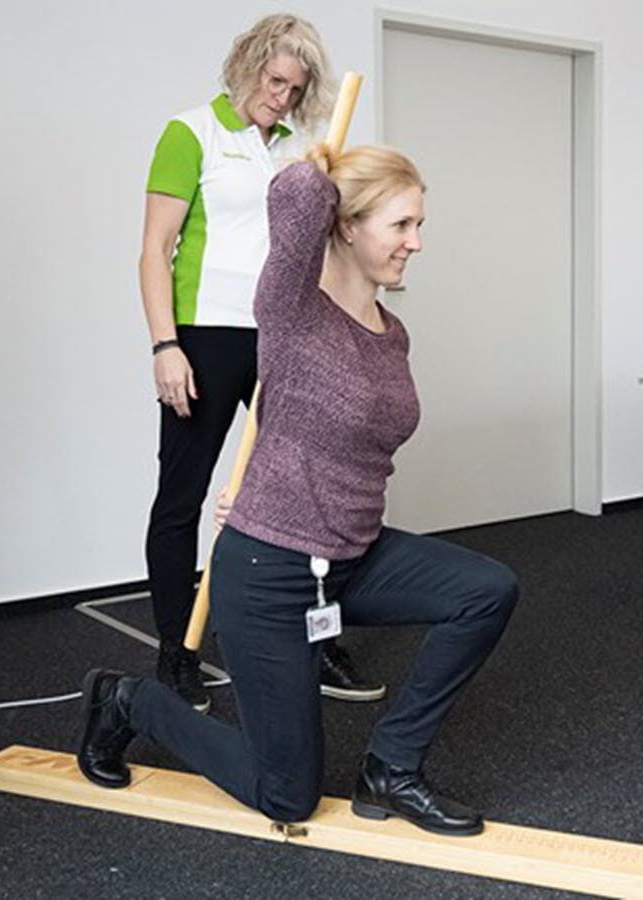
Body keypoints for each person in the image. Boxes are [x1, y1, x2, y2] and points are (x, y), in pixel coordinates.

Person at [79, 146, 519, 835]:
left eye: (419, 224)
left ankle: (391, 767)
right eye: (402, 224)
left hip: (350, 557)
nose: (417, 242)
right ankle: (129, 701)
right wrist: (318, 164)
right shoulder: (290, 309)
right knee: (287, 795)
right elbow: (293, 197)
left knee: (485, 590)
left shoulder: (391, 333)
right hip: (269, 570)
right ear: (347, 225)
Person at [139, 13, 382, 712]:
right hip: (207, 333)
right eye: (273, 80)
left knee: (309, 487)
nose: (280, 96)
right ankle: (176, 651)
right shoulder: (192, 133)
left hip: (286, 333)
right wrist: (165, 345)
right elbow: (154, 250)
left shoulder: (300, 151)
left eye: (294, 87)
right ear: (246, 66)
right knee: (183, 496)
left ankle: (316, 634)